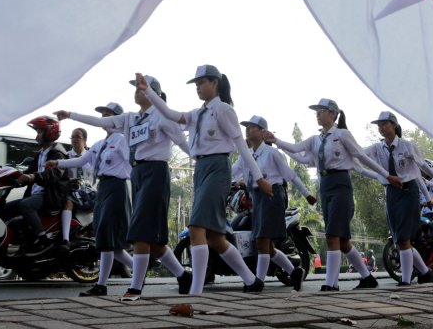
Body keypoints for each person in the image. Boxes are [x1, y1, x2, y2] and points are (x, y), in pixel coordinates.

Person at [138, 66, 273, 296]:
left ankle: (196, 291)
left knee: (196, 227)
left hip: (218, 168)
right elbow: (171, 114)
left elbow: (241, 145)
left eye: (202, 82)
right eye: (196, 84)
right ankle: (252, 280)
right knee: (215, 237)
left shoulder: (223, 110)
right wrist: (148, 91)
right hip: (200, 169)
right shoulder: (197, 113)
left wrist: (259, 178)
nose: (198, 87)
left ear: (215, 83)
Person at [56, 75, 191, 301]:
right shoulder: (130, 119)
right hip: (138, 174)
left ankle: (136, 287)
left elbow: (183, 143)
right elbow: (101, 122)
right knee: (155, 242)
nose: (136, 92)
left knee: (138, 231)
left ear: (153, 93)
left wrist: (206, 160)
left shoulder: (163, 116)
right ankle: (182, 275)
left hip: (156, 172)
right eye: (135, 89)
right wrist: (70, 115)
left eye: (141, 89)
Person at [268, 98, 400, 292]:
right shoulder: (315, 140)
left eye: (321, 110)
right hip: (325, 187)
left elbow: (361, 157)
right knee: (343, 241)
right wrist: (276, 141)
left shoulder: (342, 134)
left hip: (340, 185)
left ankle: (331, 283)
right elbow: (298, 152)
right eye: (316, 111)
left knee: (332, 235)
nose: (318, 114)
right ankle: (367, 278)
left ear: (333, 114)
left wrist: (386, 175)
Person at [47, 103, 131, 296]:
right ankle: (139, 270)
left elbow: (133, 164)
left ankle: (101, 285)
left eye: (107, 114)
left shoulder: (121, 140)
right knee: (107, 241)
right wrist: (58, 163)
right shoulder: (101, 144)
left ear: (117, 118)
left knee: (107, 239)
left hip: (117, 188)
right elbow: (82, 161)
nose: (103, 117)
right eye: (102, 114)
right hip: (103, 188)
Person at [233, 115, 317, 291]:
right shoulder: (246, 155)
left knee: (263, 241)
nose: (248, 129)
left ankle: (258, 282)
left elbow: (290, 175)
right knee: (267, 246)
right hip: (255, 198)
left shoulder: (272, 153)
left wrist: (307, 193)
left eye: (252, 127)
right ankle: (294, 272)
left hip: (272, 196)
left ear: (263, 132)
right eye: (246, 127)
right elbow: (232, 172)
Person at [366, 111, 433, 285]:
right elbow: (359, 153)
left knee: (405, 237)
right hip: (392, 193)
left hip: (408, 192)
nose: (381, 128)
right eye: (379, 125)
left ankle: (406, 280)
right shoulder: (378, 148)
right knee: (399, 238)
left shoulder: (407, 145)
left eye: (385, 124)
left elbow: (421, 169)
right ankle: (425, 272)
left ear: (394, 125)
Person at [2, 116, 70, 249]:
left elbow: (54, 174)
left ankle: (42, 239)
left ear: (49, 132)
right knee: (4, 208)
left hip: (51, 195)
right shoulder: (41, 153)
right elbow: (29, 172)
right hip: (37, 194)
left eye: (39, 132)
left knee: (26, 205)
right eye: (37, 132)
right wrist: (13, 179)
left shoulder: (58, 153)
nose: (37, 136)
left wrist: (33, 177)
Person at [59, 127, 93, 245]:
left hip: (89, 192)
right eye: (72, 137)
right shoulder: (66, 156)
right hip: (72, 190)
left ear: (85, 140)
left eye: (77, 137)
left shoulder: (91, 157)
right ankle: (65, 238)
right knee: (68, 202)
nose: (74, 139)